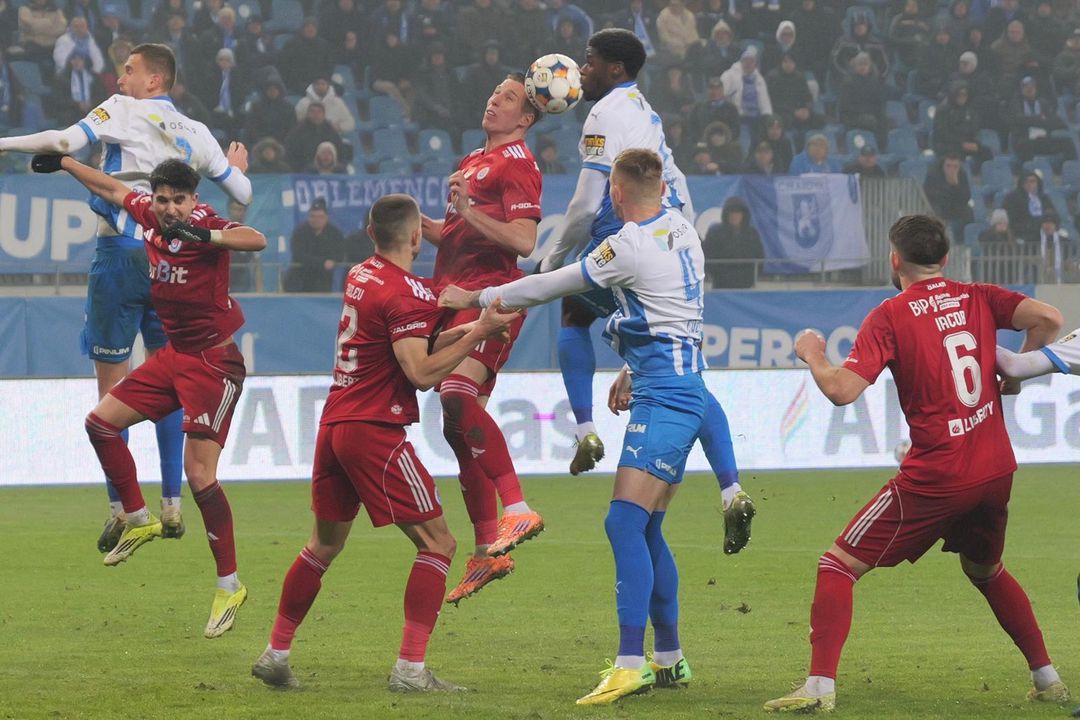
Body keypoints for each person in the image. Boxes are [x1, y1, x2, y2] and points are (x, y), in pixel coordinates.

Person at [764, 214, 1069, 713]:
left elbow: (842, 390)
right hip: (995, 467)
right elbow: (1050, 320)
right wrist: (1015, 374)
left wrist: (813, 354)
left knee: (836, 565)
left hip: (938, 475)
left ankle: (818, 688)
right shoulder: (979, 296)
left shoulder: (890, 315)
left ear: (894, 260)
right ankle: (1047, 677)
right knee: (986, 570)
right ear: (945, 258)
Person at [439, 149, 707, 705]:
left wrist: (477, 297)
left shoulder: (626, 245)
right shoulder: (682, 228)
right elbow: (670, 310)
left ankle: (630, 664)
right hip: (680, 386)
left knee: (623, 524)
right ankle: (670, 657)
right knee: (648, 528)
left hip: (663, 400)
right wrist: (631, 364)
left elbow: (552, 284)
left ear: (616, 193)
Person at [250, 194, 519, 693]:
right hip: (375, 429)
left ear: (371, 233)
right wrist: (477, 332)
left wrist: (464, 317)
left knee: (324, 544)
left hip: (335, 425)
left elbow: (408, 337)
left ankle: (276, 653)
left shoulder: (361, 274)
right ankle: (410, 670)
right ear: (417, 237)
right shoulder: (406, 293)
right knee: (439, 544)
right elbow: (420, 372)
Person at [0, 43, 253, 553]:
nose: (120, 80)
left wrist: (6, 144)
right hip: (171, 263)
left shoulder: (122, 109)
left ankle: (122, 508)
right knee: (171, 380)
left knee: (113, 390)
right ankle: (172, 503)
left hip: (120, 252)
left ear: (154, 80)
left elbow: (62, 140)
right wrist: (234, 167)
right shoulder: (198, 132)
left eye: (130, 71)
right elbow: (242, 195)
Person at [536, 28, 755, 552]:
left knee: (571, 312)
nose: (582, 69)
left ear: (614, 69)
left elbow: (585, 206)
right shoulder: (640, 107)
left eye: (589, 61)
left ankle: (585, 428)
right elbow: (674, 185)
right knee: (685, 370)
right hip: (677, 240)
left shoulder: (603, 113)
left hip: (633, 234)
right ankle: (731, 490)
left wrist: (553, 258)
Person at [35, 153, 265, 637]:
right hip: (174, 358)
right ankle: (139, 517)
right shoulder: (150, 216)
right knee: (100, 423)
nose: (170, 209)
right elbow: (112, 189)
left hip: (212, 364)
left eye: (179, 200)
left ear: (193, 200)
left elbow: (255, 239)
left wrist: (204, 236)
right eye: (163, 200)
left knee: (199, 477)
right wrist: (66, 161)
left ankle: (229, 585)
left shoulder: (205, 223)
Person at [419, 74, 546, 604]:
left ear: (526, 118)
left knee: (456, 394)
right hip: (451, 296)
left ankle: (517, 508)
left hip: (490, 297)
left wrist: (470, 211)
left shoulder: (518, 162)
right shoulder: (473, 159)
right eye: (495, 92)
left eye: (508, 97)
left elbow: (524, 241)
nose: (494, 99)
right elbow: (457, 237)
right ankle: (485, 553)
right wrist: (413, 224)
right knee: (456, 426)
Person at [286, 198, 347, 292]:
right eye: (313, 216)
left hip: (322, 281)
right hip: (300, 280)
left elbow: (340, 254)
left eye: (320, 217)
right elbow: (298, 255)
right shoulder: (300, 232)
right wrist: (322, 263)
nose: (316, 220)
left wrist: (333, 261)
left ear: (326, 218)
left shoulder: (334, 233)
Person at [703, 196, 764, 288]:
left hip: (746, 284)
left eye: (738, 212)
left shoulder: (752, 234)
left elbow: (759, 257)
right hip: (721, 284)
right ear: (726, 214)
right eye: (731, 212)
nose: (734, 216)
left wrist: (750, 278)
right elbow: (708, 256)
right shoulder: (715, 233)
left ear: (744, 215)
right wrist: (718, 275)